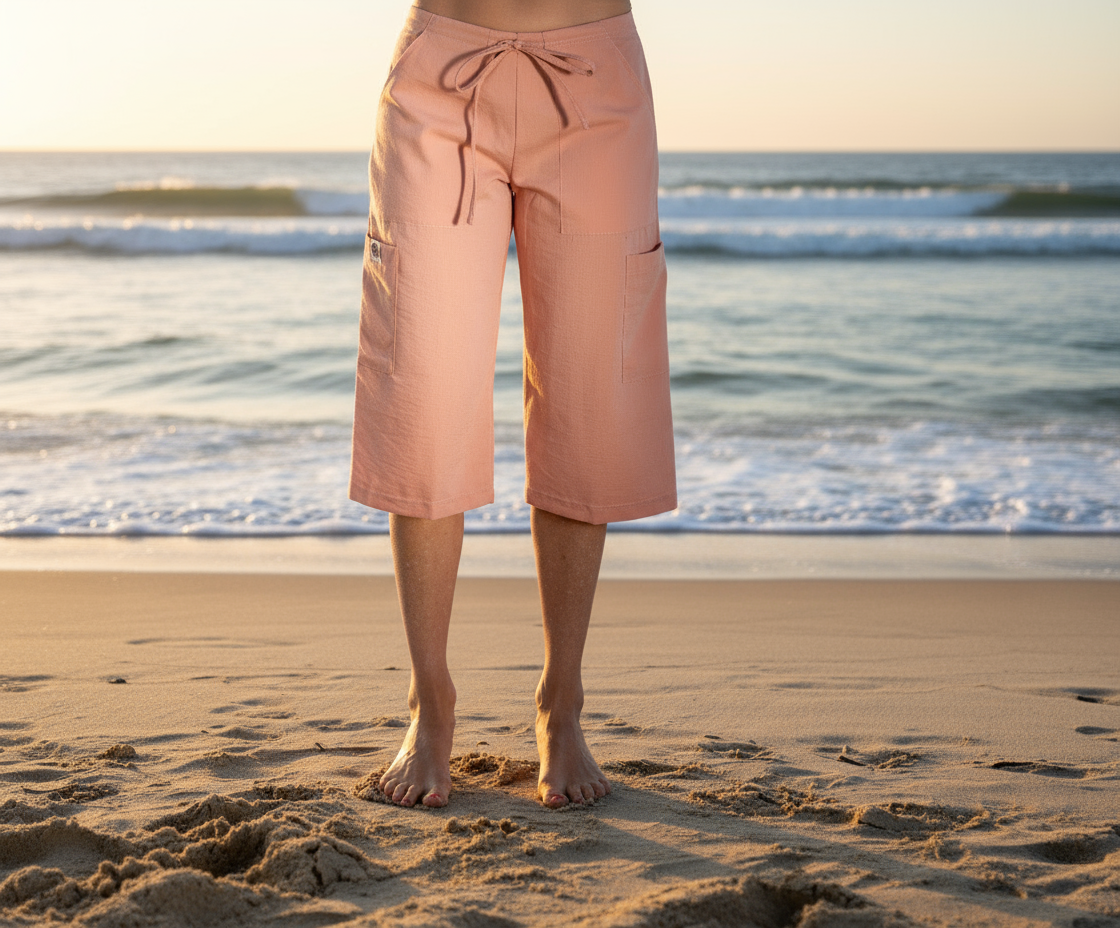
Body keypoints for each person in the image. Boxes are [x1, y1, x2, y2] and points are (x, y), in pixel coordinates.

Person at [349, 0, 676, 809]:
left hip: (594, 80)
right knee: (422, 392)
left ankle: (561, 704)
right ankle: (430, 704)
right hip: (440, 75)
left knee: (588, 397)